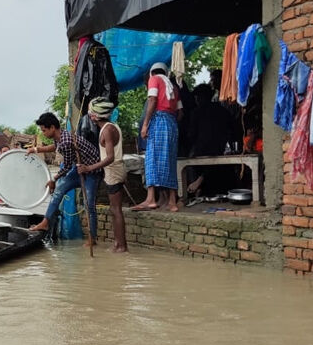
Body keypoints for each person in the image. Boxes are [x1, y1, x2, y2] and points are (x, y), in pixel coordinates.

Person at [27, 112, 101, 245]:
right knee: (59, 191)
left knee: (89, 204)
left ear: (52, 128)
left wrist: (53, 179)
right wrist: (36, 149)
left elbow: (66, 167)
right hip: (78, 168)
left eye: (44, 130)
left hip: (92, 171)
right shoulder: (60, 138)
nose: (43, 133)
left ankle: (92, 238)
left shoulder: (66, 141)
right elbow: (55, 147)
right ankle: (45, 222)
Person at [79, 97, 128, 252]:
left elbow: (110, 157)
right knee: (114, 210)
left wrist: (89, 168)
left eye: (90, 113)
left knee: (116, 210)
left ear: (95, 116)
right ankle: (118, 244)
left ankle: (121, 246)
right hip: (113, 172)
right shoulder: (110, 127)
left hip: (114, 172)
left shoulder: (107, 130)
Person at [132, 62, 181, 212]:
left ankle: (150, 199)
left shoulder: (154, 80)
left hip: (159, 121)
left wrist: (146, 124)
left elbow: (152, 100)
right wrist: (170, 120)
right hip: (172, 123)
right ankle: (172, 201)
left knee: (152, 159)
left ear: (152, 73)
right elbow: (181, 113)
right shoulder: (174, 88)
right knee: (170, 160)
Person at [185, 84, 233, 196]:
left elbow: (191, 135)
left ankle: (197, 184)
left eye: (197, 98)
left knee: (190, 158)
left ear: (200, 98)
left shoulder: (196, 112)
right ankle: (201, 185)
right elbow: (231, 129)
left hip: (202, 150)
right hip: (219, 148)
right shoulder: (223, 111)